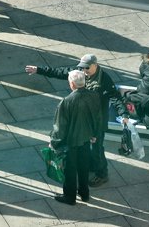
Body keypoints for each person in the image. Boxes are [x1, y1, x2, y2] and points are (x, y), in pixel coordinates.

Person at [26, 54, 130, 187]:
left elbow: (115, 98)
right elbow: (61, 72)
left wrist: (124, 114)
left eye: (87, 67)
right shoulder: (80, 73)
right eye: (82, 67)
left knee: (97, 149)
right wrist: (40, 70)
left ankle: (102, 174)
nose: (84, 70)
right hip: (82, 119)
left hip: (96, 121)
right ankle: (92, 164)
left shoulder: (104, 79)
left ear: (95, 65)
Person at [49, 70, 101, 205]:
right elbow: (97, 118)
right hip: (85, 139)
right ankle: (84, 193)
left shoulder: (66, 102)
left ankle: (69, 197)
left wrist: (54, 143)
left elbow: (60, 127)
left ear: (72, 84)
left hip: (70, 143)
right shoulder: (94, 96)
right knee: (83, 167)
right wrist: (94, 134)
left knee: (70, 170)